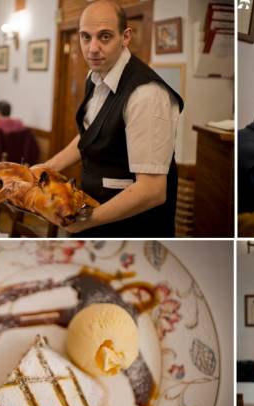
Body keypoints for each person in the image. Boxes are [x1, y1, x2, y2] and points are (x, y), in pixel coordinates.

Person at [37, 0, 183, 236]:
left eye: (104, 37)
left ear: (125, 37)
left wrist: (83, 223)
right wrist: (48, 167)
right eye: (86, 37)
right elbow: (91, 135)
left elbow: (152, 190)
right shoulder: (95, 74)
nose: (92, 48)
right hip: (94, 215)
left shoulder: (146, 94)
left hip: (133, 228)